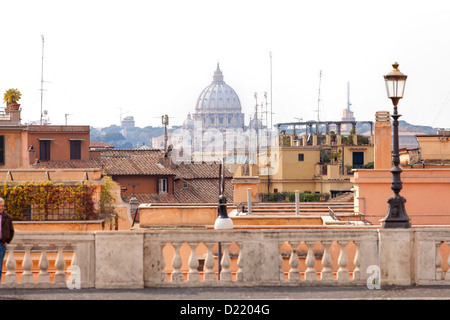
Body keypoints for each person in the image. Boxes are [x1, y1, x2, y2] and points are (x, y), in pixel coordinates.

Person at [0, 197, 14, 281]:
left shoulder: (7, 217)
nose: (1, 207)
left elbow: (11, 231)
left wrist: (7, 241)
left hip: (1, 245)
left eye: (2, 206)